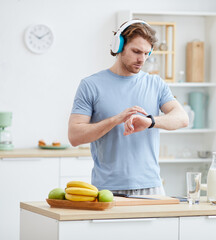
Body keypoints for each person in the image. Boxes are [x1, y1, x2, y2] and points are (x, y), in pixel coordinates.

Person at [68, 19, 189, 196]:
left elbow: (182, 118)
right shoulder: (90, 85)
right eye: (136, 51)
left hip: (152, 187)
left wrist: (150, 121)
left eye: (147, 53)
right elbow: (74, 136)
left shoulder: (155, 83)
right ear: (119, 46)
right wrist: (116, 120)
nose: (142, 59)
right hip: (106, 190)